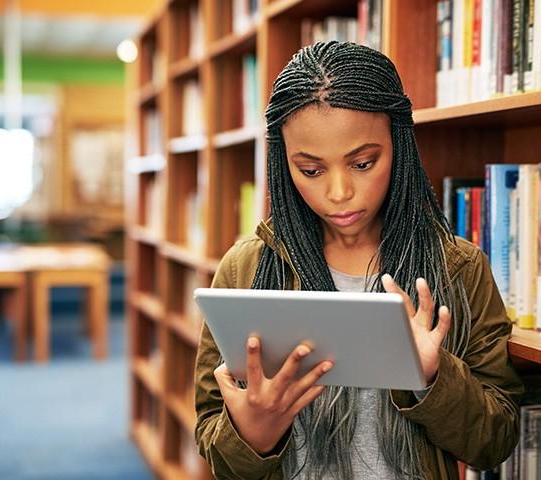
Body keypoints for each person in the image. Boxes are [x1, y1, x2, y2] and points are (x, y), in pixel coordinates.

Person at [194, 41, 523, 480]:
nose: (338, 193)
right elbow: (213, 442)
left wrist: (432, 377)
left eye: (364, 163)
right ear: (282, 164)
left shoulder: (459, 267)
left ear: (399, 145)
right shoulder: (246, 269)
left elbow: (495, 441)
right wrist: (251, 432)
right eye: (310, 170)